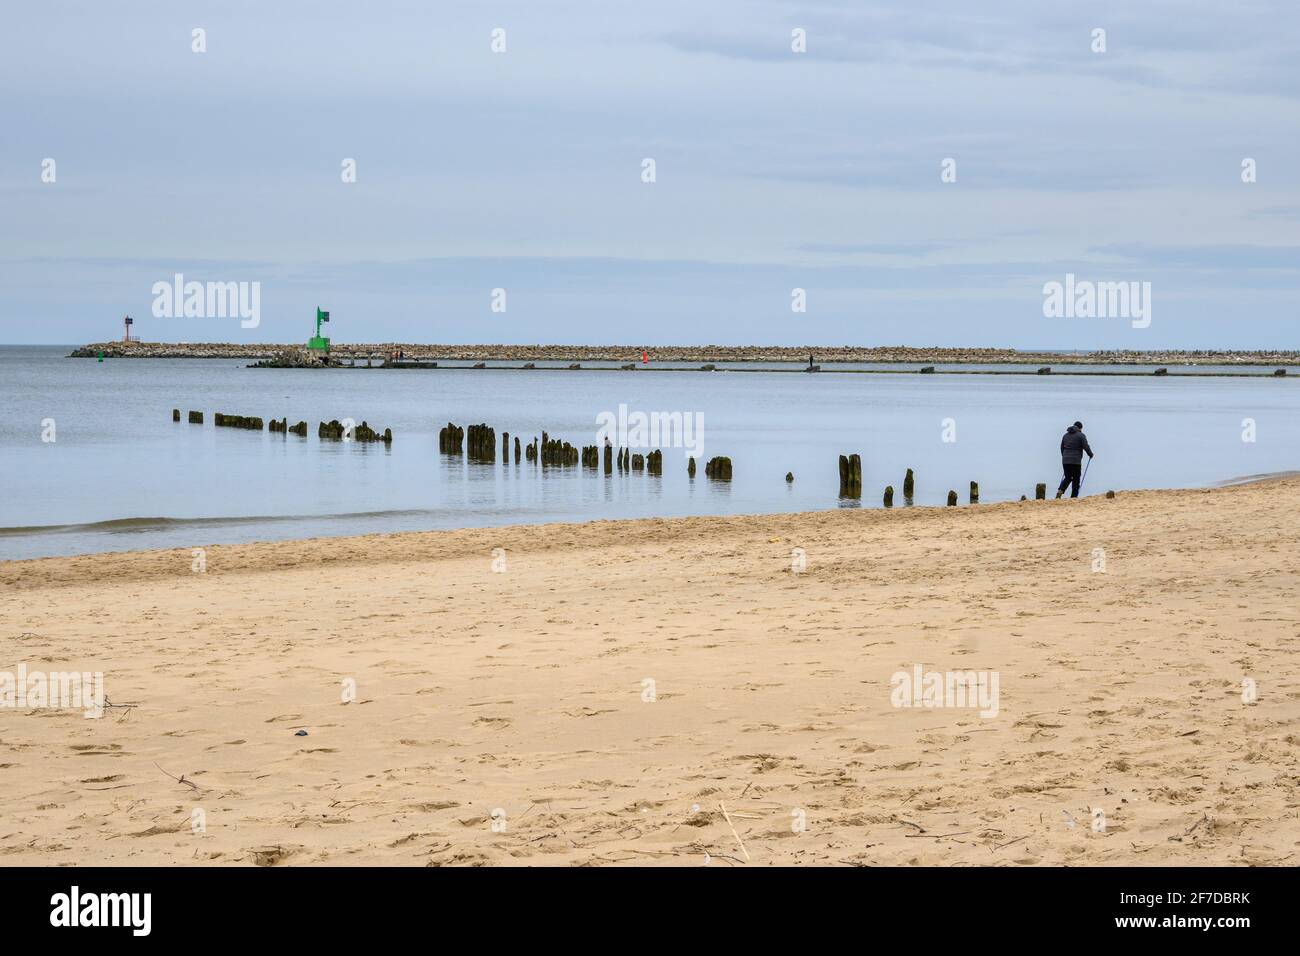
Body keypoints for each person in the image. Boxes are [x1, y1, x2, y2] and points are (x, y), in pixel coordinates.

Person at [1056, 421, 1094, 498]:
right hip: (1076, 461)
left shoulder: (1065, 435)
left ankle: (1060, 490)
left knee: (1068, 477)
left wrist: (1064, 456)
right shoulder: (1081, 435)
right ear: (1080, 428)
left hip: (1065, 460)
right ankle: (1074, 497)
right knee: (1076, 478)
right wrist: (1090, 454)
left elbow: (1062, 447)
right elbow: (1086, 446)